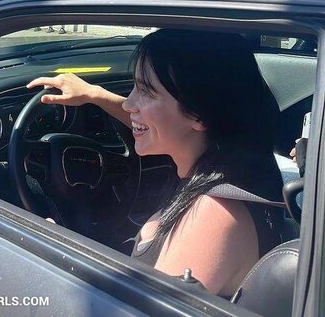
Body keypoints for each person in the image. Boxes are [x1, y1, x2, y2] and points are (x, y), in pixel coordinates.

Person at [27, 29, 283, 297]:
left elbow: (136, 309)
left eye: (145, 91)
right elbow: (157, 123)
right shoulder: (238, 164)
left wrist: (59, 258)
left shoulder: (213, 215)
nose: (129, 104)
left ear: (198, 114)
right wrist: (95, 94)